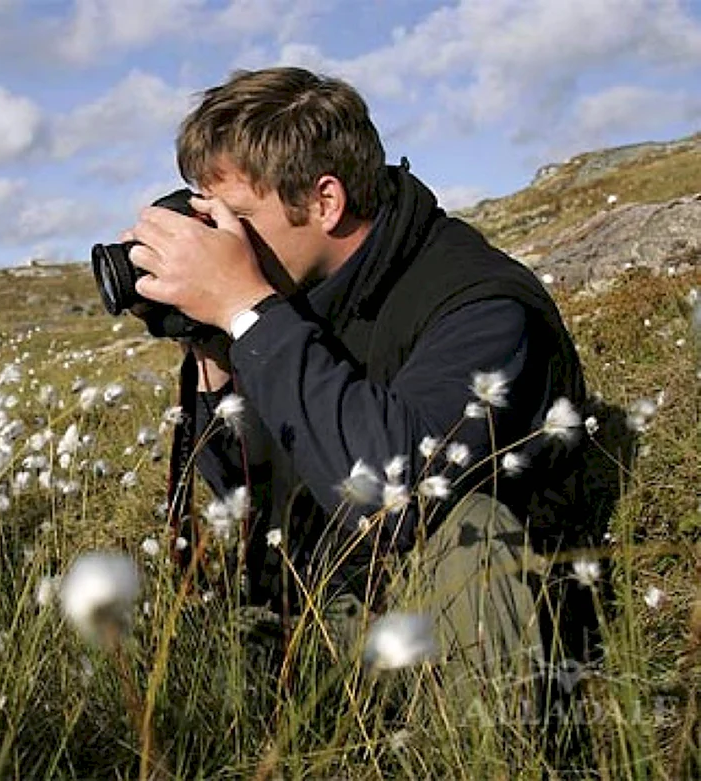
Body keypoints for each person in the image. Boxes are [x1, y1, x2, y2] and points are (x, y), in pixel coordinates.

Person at [123, 67, 599, 688]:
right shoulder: (299, 296)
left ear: (325, 202)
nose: (221, 239)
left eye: (236, 216)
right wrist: (216, 353)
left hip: (467, 632)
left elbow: (392, 494)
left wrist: (248, 312)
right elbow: (260, 491)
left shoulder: (480, 304)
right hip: (332, 603)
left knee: (468, 534)